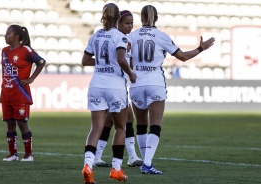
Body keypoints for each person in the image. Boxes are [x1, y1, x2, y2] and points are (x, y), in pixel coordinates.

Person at [128, 5, 215, 174]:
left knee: (141, 125)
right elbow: (182, 57)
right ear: (157, 19)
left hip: (136, 82)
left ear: (142, 18)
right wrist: (201, 48)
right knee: (155, 125)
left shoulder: (132, 35)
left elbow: (126, 60)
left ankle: (146, 162)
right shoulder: (162, 36)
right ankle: (147, 164)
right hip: (155, 82)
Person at [81, 3, 137, 184]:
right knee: (121, 127)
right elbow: (121, 59)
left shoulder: (95, 36)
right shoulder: (120, 37)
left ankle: (88, 165)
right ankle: (116, 169)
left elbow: (85, 60)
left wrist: (102, 64)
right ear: (118, 19)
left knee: (96, 128)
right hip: (115, 86)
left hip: (96, 84)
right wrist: (131, 74)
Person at [94, 10, 143, 168]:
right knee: (118, 120)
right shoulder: (116, 39)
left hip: (119, 85)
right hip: (112, 85)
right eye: (127, 23)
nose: (130, 26)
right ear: (119, 24)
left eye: (131, 23)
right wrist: (130, 72)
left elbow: (128, 60)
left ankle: (101, 156)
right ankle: (129, 157)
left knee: (123, 119)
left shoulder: (125, 40)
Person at [0, 25, 46, 162]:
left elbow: (41, 62)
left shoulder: (25, 50)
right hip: (6, 94)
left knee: (22, 123)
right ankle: (13, 154)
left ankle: (28, 155)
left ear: (16, 36)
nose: (5, 36)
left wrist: (31, 78)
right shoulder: (4, 51)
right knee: (9, 123)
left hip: (21, 95)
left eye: (8, 33)